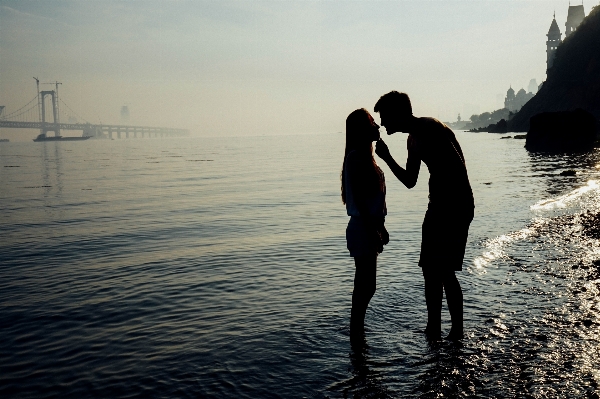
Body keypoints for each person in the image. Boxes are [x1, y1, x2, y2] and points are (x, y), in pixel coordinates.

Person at [373, 91, 474, 341]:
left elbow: (455, 170)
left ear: (398, 113)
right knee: (430, 269)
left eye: (385, 117)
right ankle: (434, 329)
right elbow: (410, 181)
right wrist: (386, 158)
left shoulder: (429, 129)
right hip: (440, 206)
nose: (383, 123)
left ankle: (456, 332)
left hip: (454, 206)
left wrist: (386, 158)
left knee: (445, 270)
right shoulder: (415, 136)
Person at [341, 108, 389, 341]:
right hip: (362, 227)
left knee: (366, 285)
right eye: (372, 123)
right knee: (365, 285)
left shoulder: (366, 157)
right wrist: (374, 229)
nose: (377, 127)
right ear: (361, 129)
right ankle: (356, 334)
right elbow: (360, 201)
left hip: (367, 225)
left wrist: (381, 226)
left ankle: (357, 334)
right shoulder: (357, 158)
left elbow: (373, 200)